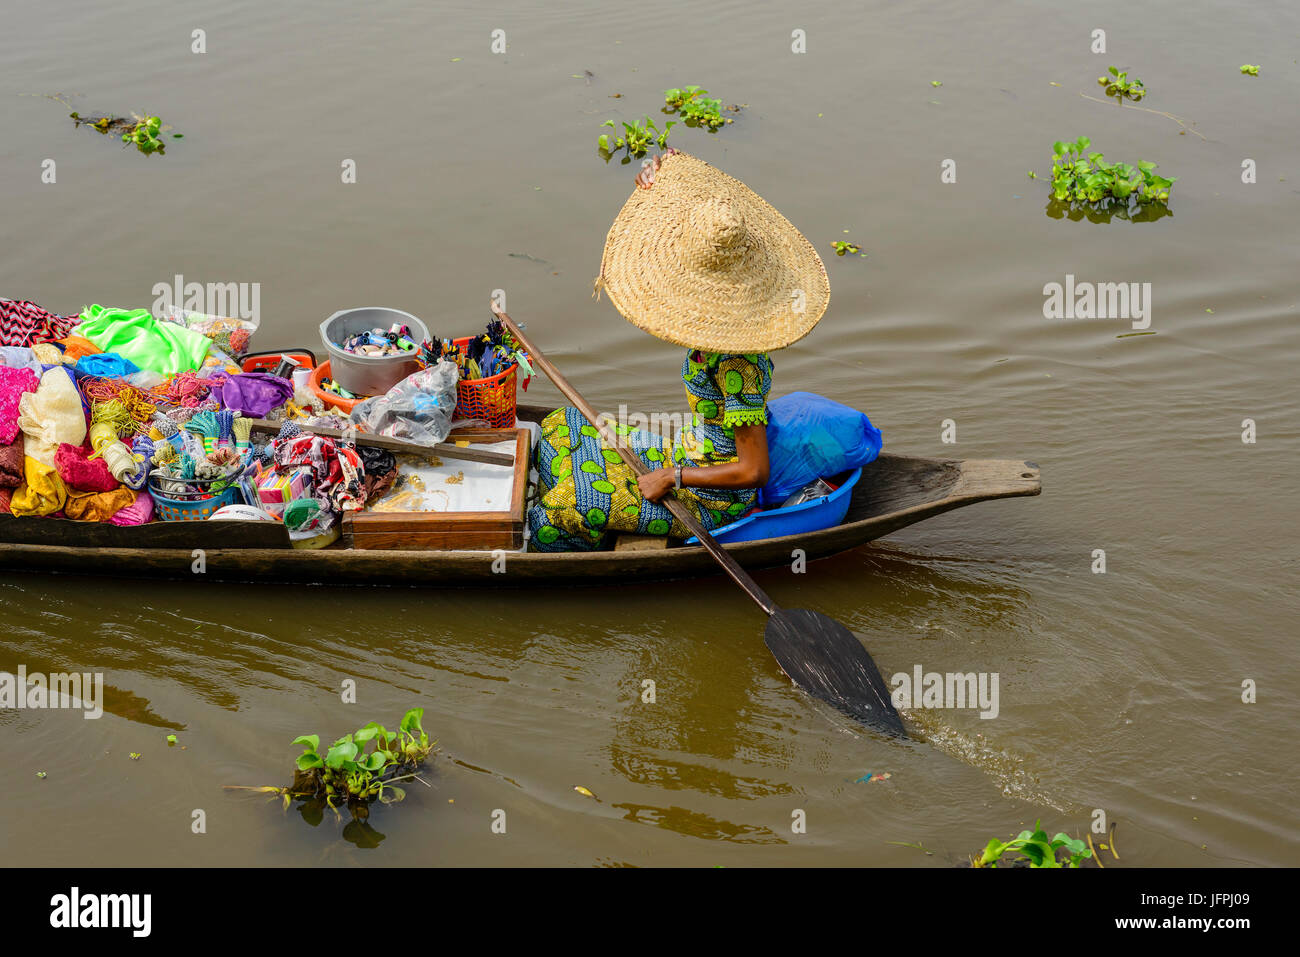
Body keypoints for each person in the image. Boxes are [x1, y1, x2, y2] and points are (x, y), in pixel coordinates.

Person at [527, 150, 830, 551]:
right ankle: (590, 504)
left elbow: (754, 470)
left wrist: (673, 477)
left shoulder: (738, 364)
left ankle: (571, 543)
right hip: (683, 451)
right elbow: (674, 174)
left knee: (562, 507)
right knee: (561, 424)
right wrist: (656, 176)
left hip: (710, 497)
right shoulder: (714, 330)